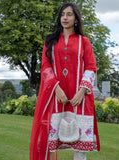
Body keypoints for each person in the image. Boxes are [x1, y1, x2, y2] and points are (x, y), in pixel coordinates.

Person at [29, 2, 100, 160]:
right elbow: (46, 67)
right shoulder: (50, 41)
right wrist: (56, 88)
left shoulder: (84, 41)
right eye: (62, 14)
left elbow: (91, 67)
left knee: (80, 149)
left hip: (79, 98)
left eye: (69, 14)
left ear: (76, 18)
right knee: (49, 142)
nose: (65, 18)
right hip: (57, 98)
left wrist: (82, 91)